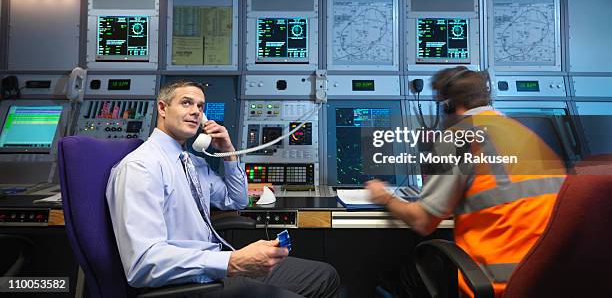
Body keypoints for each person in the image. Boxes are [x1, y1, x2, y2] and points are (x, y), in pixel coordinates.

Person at [107, 80, 339, 298]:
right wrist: (232, 262)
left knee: (325, 276)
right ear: (162, 108)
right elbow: (144, 263)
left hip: (213, 264)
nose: (196, 111)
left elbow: (235, 200)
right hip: (186, 281)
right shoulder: (141, 168)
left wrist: (229, 152)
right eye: (186, 103)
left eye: (200, 106)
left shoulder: (192, 162)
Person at [366, 67, 566, 298]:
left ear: (448, 106)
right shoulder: (524, 132)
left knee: (399, 276)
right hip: (545, 277)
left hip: (496, 281)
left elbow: (423, 222)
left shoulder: (458, 137)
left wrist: (384, 196)